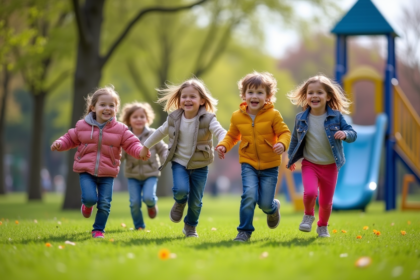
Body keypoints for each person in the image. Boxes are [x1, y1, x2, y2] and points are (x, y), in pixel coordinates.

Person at [51, 86, 150, 238]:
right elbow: (70, 138)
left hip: (108, 172)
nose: (107, 108)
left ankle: (98, 230)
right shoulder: (82, 125)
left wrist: (141, 151)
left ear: (116, 109)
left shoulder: (121, 129)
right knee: (90, 198)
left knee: (104, 203)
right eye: (103, 105)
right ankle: (87, 205)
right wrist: (60, 143)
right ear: (93, 107)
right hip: (86, 170)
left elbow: (132, 143)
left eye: (111, 105)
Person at [139, 78, 226, 238]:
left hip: (200, 165)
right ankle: (179, 202)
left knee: (196, 201)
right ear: (179, 100)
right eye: (184, 96)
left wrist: (223, 144)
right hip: (179, 162)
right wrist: (145, 146)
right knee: (181, 191)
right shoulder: (174, 118)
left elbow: (220, 131)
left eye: (192, 96)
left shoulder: (208, 119)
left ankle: (190, 227)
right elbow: (159, 132)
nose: (187, 99)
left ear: (201, 100)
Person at [216, 71, 291, 242]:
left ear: (268, 96)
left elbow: (285, 133)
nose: (254, 96)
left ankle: (273, 208)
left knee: (265, 203)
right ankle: (244, 231)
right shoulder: (237, 116)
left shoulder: (273, 115)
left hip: (270, 165)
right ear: (243, 95)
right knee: (249, 195)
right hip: (248, 163)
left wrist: (282, 143)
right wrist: (223, 146)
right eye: (250, 92)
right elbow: (232, 136)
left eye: (259, 92)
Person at [286, 75, 357, 237]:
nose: (314, 96)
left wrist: (345, 134)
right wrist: (291, 159)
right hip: (310, 164)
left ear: (328, 96)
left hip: (331, 165)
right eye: (310, 93)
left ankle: (322, 226)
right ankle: (308, 215)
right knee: (310, 193)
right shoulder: (300, 118)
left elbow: (353, 134)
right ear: (306, 96)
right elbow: (295, 140)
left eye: (319, 92)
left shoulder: (336, 117)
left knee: (325, 203)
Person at [120, 102, 168, 230]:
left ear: (147, 119)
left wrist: (166, 158)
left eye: (142, 116)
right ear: (128, 119)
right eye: (135, 117)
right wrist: (113, 163)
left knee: (148, 197)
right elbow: (120, 155)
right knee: (134, 203)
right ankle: (139, 226)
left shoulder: (153, 133)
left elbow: (163, 149)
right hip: (132, 174)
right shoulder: (125, 136)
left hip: (151, 173)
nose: (139, 119)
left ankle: (151, 204)